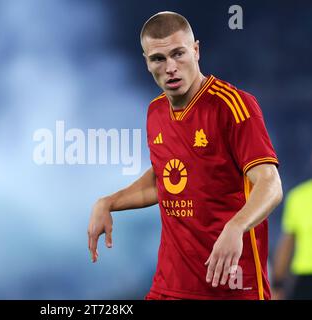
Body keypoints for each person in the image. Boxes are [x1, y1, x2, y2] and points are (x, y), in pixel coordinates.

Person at [87, 11, 283, 300]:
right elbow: (164, 180)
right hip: (170, 286)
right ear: (147, 63)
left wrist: (236, 226)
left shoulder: (233, 106)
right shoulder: (155, 111)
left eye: (178, 54)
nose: (170, 68)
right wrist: (108, 202)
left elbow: (270, 184)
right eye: (158, 59)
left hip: (233, 288)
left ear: (196, 51)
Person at [272, 175, 312, 300]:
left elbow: (286, 246)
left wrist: (277, 285)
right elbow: (287, 245)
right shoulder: (297, 197)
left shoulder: (298, 196)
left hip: (305, 279)